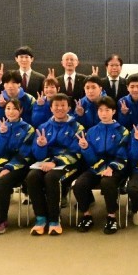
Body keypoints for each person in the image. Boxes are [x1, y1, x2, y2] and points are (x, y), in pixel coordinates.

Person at [25, 93, 83, 236]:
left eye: (63, 105)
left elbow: (76, 153)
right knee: (32, 177)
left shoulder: (77, 127)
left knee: (51, 178)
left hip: (69, 165)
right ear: (50, 108)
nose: (59, 108)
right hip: (46, 163)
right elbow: (38, 155)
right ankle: (40, 218)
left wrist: (55, 162)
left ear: (69, 108)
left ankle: (54, 219)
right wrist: (41, 146)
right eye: (56, 105)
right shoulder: (43, 127)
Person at [73, 96, 129, 234]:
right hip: (96, 167)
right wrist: (85, 148)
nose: (104, 113)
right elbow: (90, 159)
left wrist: (111, 168)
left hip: (115, 168)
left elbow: (123, 155)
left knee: (107, 183)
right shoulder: (91, 131)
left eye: (107, 110)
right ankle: (86, 215)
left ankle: (111, 217)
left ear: (114, 111)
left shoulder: (122, 131)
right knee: (79, 184)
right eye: (100, 110)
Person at [0, 98, 34, 235]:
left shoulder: (28, 129)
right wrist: (2, 135)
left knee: (2, 181)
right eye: (8, 108)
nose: (11, 111)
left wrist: (9, 167)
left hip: (19, 166)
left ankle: (2, 220)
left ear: (21, 110)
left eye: (15, 108)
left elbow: (25, 153)